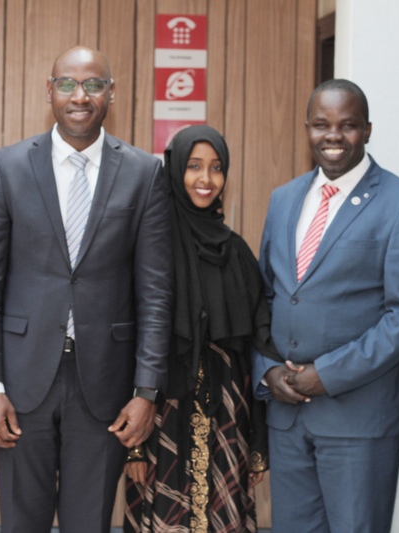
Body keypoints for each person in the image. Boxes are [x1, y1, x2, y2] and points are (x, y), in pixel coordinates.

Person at [0, 46, 173, 533]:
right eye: (67, 84)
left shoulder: (144, 173)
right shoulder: (9, 167)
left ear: (111, 93)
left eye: (93, 85)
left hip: (105, 386)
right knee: (21, 523)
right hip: (20, 384)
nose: (80, 96)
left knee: (89, 523)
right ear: (50, 91)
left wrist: (147, 390)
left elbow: (155, 293)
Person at [252, 79, 399, 533]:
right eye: (321, 125)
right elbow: (266, 297)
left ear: (368, 130)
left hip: (362, 418)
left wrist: (328, 373)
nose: (333, 136)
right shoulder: (283, 199)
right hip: (288, 414)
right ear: (307, 129)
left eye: (348, 125)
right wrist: (267, 369)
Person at [123, 125, 280, 532]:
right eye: (194, 166)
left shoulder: (237, 252)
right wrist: (134, 447)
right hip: (160, 415)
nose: (205, 179)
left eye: (216, 167)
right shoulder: (151, 246)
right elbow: (128, 339)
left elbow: (255, 351)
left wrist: (257, 444)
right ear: (175, 170)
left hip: (228, 419)